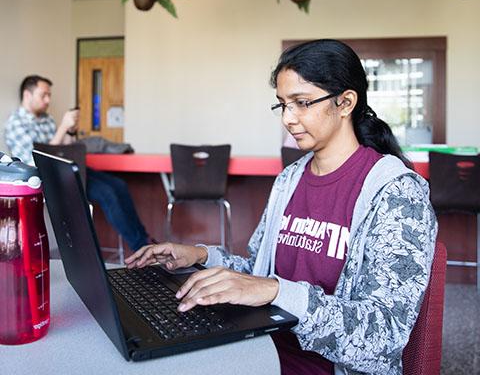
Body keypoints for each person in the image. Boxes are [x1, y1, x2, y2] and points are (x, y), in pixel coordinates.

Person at [125, 40, 437, 374]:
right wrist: (201, 256)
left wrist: (276, 291)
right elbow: (258, 279)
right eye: (282, 105)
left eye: (302, 103)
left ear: (345, 103)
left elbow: (384, 334)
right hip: (258, 350)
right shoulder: (290, 179)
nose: (288, 119)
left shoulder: (396, 192)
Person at [4, 75, 152, 252]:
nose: (48, 100)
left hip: (66, 169)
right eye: (43, 95)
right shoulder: (16, 124)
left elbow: (62, 147)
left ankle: (144, 240)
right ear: (27, 95)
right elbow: (38, 160)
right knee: (108, 193)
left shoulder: (47, 119)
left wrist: (70, 131)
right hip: (48, 178)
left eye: (49, 95)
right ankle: (141, 248)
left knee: (119, 185)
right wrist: (62, 127)